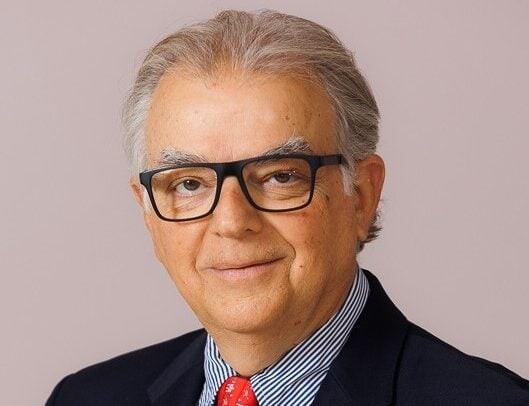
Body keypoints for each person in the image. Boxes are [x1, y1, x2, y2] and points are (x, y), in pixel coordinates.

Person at [46, 9, 529, 406]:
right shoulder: (85, 398)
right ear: (148, 213)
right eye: (189, 183)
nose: (231, 222)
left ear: (361, 196)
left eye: (280, 176)